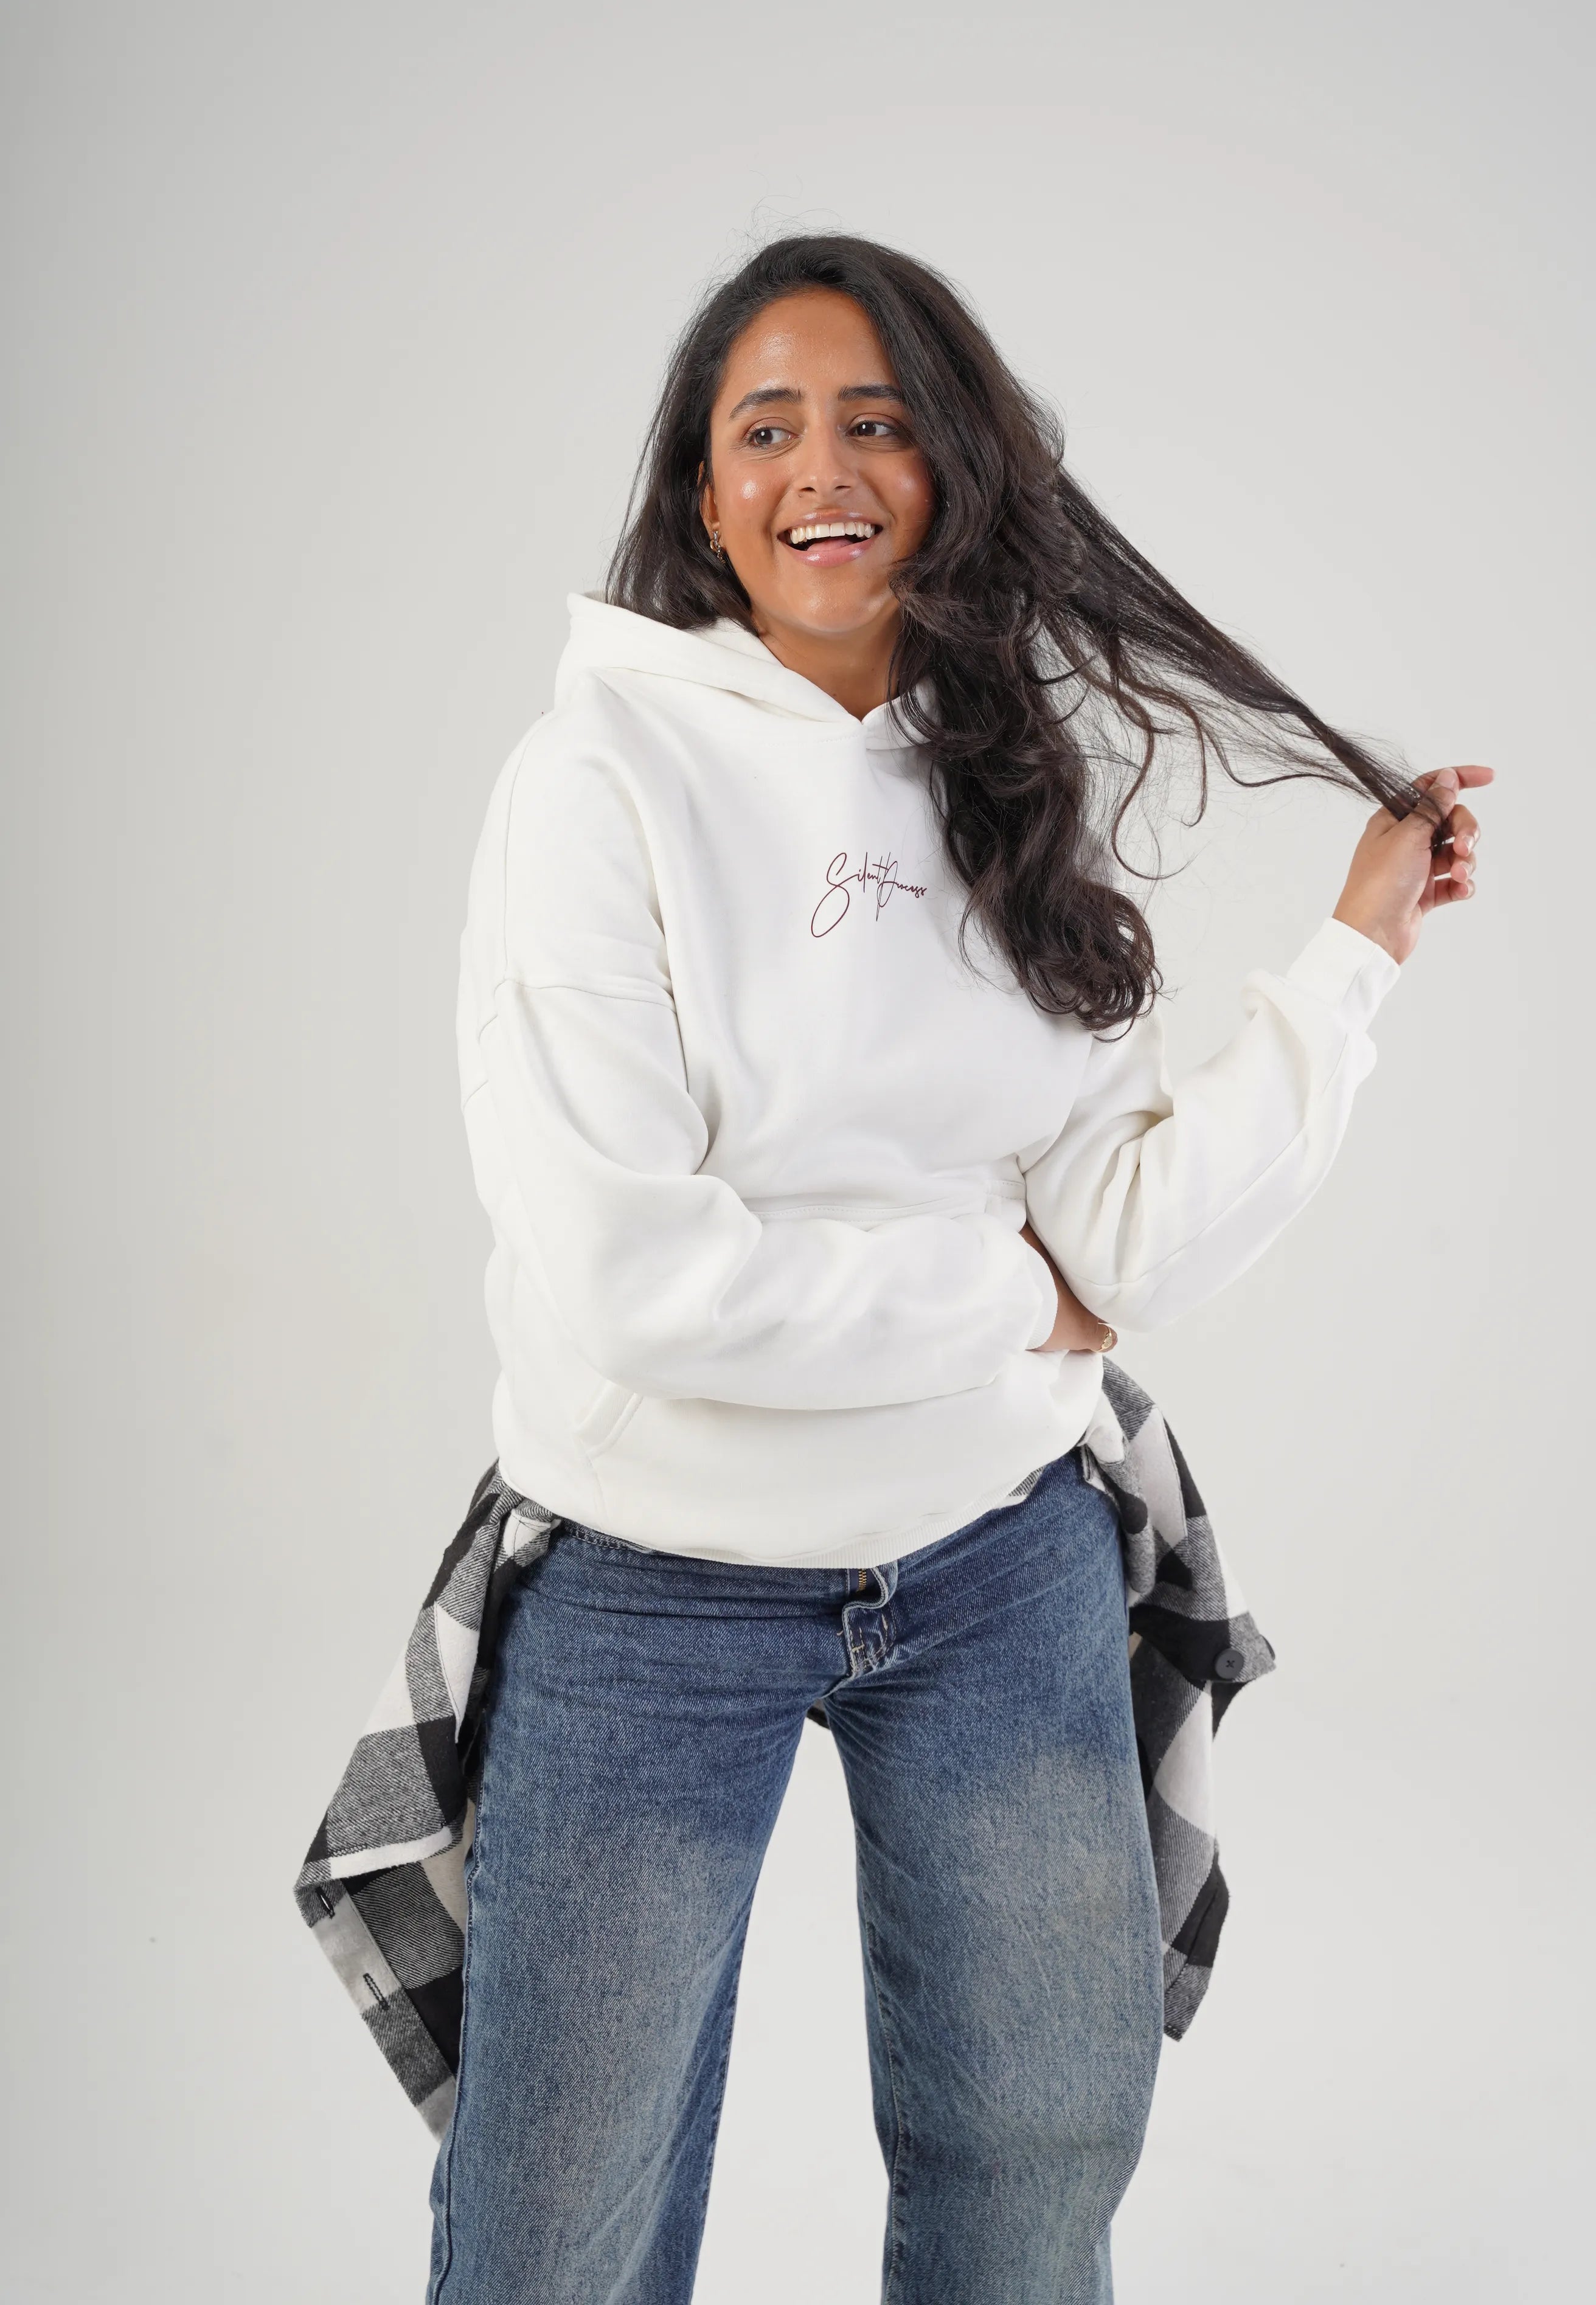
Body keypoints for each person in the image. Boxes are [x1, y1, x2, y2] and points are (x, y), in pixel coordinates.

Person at [432, 234, 1488, 2304]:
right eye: (767, 428)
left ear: (950, 471)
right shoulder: (595, 782)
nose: (822, 468)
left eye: (878, 421)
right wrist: (1009, 1303)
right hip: (655, 1585)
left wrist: (1353, 959)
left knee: (1035, 2174)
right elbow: (640, 1283)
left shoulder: (1002, 778)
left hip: (998, 1562)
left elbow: (1128, 1237)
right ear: (705, 494)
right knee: (563, 2231)